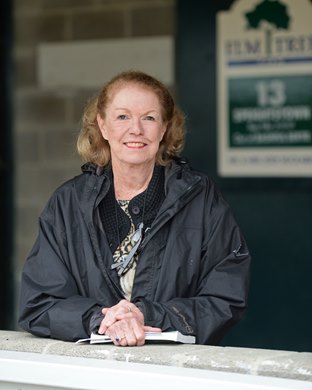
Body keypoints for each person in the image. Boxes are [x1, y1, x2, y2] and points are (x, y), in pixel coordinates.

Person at [18, 70, 251, 346]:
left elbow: (225, 298)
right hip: (90, 375)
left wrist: (146, 316)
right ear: (102, 126)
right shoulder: (68, 203)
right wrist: (102, 320)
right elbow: (38, 304)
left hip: (173, 373)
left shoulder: (200, 198)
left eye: (149, 118)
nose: (136, 129)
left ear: (164, 128)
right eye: (122, 116)